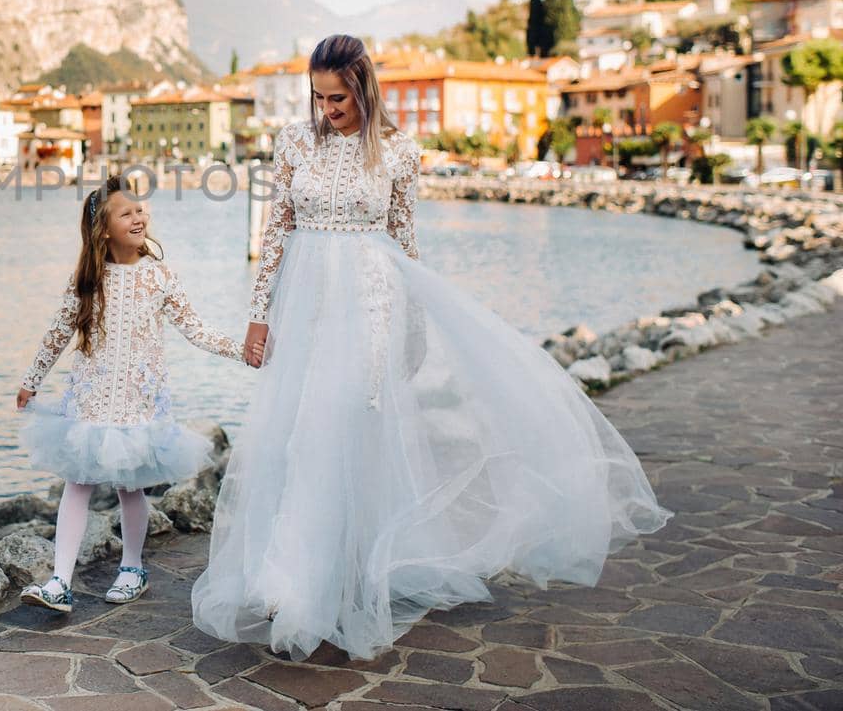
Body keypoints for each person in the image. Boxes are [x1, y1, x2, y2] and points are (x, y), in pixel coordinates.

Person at [191, 34, 670, 659]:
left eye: (337, 97)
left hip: (367, 300)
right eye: (318, 96)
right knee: (296, 429)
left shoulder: (398, 150)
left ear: (364, 87)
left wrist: (412, 327)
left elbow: (403, 241)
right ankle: (289, 573)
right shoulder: (293, 143)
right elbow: (277, 231)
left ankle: (331, 576)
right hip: (302, 303)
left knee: (341, 428)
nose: (327, 109)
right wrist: (257, 317)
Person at [16, 174, 246, 612]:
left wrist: (242, 351)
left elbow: (195, 330)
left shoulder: (158, 276)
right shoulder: (87, 278)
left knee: (130, 489)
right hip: (89, 399)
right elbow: (57, 333)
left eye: (140, 208)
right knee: (77, 484)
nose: (139, 216)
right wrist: (31, 380)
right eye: (127, 213)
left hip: (137, 403)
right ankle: (59, 580)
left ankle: (133, 567)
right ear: (104, 229)